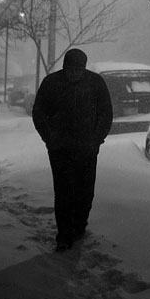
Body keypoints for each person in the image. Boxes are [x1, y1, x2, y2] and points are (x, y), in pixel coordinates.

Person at [32, 49, 113, 251]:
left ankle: (79, 226)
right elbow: (39, 112)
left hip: (86, 149)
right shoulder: (52, 84)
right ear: (65, 68)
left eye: (78, 70)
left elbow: (105, 113)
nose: (74, 74)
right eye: (71, 70)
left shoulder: (95, 83)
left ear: (83, 69)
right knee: (63, 192)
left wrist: (96, 140)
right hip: (60, 150)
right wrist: (50, 139)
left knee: (85, 192)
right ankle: (64, 235)